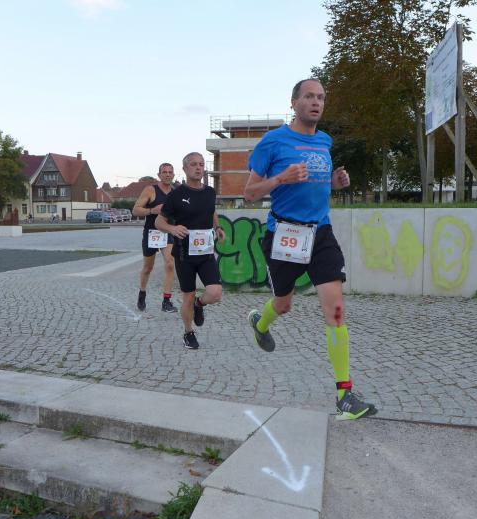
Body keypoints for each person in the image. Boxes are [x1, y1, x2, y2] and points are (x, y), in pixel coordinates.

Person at [243, 78, 377, 421]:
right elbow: (249, 193)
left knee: (336, 310)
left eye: (321, 97)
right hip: (284, 234)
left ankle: (344, 394)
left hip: (320, 234)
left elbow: (317, 186)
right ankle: (260, 322)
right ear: (294, 102)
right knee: (283, 304)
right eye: (309, 97)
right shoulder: (273, 141)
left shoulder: (324, 141)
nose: (316, 102)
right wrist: (280, 179)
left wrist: (335, 183)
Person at [155, 152, 225, 349]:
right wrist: (172, 229)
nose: (198, 168)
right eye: (194, 164)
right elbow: (159, 222)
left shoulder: (210, 192)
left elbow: (211, 211)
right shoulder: (176, 195)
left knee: (215, 292)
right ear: (185, 168)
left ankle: (199, 305)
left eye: (201, 164)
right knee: (188, 295)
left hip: (206, 252)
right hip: (184, 254)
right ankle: (188, 332)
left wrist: (218, 227)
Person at [132, 163, 178, 313]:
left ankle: (166, 301)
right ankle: (142, 292)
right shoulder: (150, 190)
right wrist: (152, 210)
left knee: (170, 263)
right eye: (164, 172)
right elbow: (135, 210)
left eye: (170, 172)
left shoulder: (176, 192)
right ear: (159, 175)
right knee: (148, 268)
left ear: (173, 175)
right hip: (152, 233)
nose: (167, 174)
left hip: (167, 231)